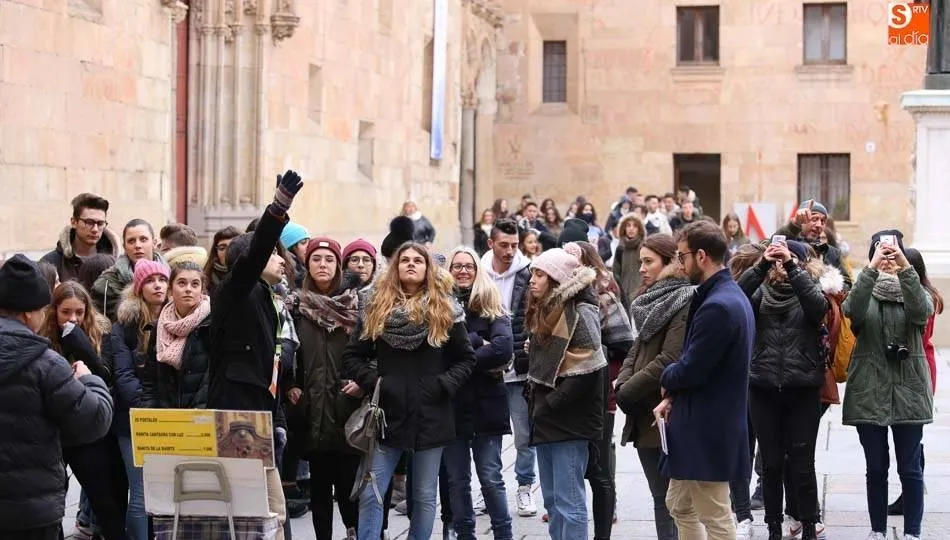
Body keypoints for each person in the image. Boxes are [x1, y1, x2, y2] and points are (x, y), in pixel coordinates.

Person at [342, 243, 476, 540]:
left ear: (428, 268)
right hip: (386, 414)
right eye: (405, 260)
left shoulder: (446, 309)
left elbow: (466, 358)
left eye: (418, 260)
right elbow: (352, 355)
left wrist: (442, 385)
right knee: (372, 492)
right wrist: (377, 382)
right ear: (396, 267)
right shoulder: (376, 307)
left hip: (432, 413)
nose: (411, 264)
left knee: (425, 496)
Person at [207, 169, 306, 539]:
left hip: (259, 410)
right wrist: (279, 206)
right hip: (237, 413)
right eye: (272, 254)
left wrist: (276, 415)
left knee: (272, 507)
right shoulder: (237, 290)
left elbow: (275, 363)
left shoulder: (267, 297)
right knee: (257, 507)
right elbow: (257, 250)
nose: (282, 260)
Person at [0, 255, 113, 540]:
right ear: (29, 313)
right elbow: (95, 420)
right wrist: (90, 380)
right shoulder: (46, 364)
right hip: (31, 513)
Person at [654, 221, 754, 540]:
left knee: (715, 515)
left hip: (709, 427)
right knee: (679, 504)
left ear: (700, 256)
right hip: (699, 421)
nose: (679, 265)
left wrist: (666, 377)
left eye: (681, 256)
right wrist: (672, 395)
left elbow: (692, 368)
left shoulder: (720, 305)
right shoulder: (721, 296)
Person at [842, 231, 933, 540]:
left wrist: (905, 265)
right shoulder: (864, 289)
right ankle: (877, 530)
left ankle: (912, 532)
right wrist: (871, 267)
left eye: (893, 254)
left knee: (910, 468)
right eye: (884, 255)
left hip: (908, 387)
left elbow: (922, 311)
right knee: (876, 467)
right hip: (870, 386)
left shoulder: (915, 290)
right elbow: (851, 309)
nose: (889, 261)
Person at [736, 239, 828, 540]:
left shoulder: (810, 292)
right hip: (763, 388)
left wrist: (791, 263)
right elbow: (735, 296)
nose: (780, 266)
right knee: (772, 464)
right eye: (777, 262)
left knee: (802, 462)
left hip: (802, 389)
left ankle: (809, 527)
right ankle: (773, 528)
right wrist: (762, 263)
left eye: (787, 261)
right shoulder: (759, 295)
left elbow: (818, 308)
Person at [525, 248, 607, 540]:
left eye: (539, 274)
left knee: (569, 502)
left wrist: (549, 404)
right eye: (532, 273)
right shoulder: (547, 310)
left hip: (570, 421)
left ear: (556, 278)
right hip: (546, 417)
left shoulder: (581, 313)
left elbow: (589, 369)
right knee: (553, 502)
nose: (532, 280)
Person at [615, 234, 692, 540]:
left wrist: (626, 390)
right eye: (640, 262)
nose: (642, 269)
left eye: (649, 261)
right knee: (660, 498)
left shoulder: (683, 299)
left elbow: (669, 359)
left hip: (665, 410)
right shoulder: (649, 299)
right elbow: (638, 346)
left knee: (673, 500)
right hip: (643, 411)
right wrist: (622, 382)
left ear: (670, 262)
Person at [285, 237, 363, 540]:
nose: (322, 264)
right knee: (319, 486)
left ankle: (353, 531)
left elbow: (370, 354)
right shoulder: (295, 306)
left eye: (329, 259)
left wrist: (362, 382)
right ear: (307, 265)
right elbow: (285, 352)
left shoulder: (357, 305)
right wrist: (290, 386)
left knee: (348, 484)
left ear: (339, 266)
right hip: (311, 408)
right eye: (316, 259)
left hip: (347, 406)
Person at [40, 281, 129, 540]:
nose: (73, 318)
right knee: (53, 500)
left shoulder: (101, 333)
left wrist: (82, 347)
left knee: (104, 498)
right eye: (66, 312)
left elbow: (105, 376)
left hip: (89, 431)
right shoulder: (44, 339)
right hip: (56, 430)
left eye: (79, 312)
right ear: (54, 311)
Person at [443, 246, 514, 540]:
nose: (462, 271)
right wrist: (477, 341)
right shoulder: (439, 308)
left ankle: (503, 534)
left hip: (487, 406)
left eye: (468, 266)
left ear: (477, 270)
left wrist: (461, 348)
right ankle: (465, 535)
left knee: (491, 478)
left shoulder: (491, 304)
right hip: (452, 407)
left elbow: (503, 349)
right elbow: (437, 353)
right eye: (456, 266)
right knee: (457, 480)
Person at [563, 242, 633, 540]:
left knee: (600, 467)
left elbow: (625, 346)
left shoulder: (605, 299)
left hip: (599, 394)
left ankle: (603, 526)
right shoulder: (556, 302)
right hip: (566, 397)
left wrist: (607, 375)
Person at [480, 219, 536, 517]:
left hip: (520, 368)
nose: (510, 251)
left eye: (514, 245)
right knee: (489, 433)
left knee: (524, 434)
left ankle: (525, 486)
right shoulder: (477, 273)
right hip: (487, 368)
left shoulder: (528, 274)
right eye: (504, 245)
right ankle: (491, 489)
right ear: (491, 243)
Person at [111, 259, 171, 540]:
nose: (157, 285)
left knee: (169, 491)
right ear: (138, 287)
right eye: (150, 280)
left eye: (162, 279)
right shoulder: (125, 326)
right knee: (141, 492)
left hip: (172, 417)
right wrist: (149, 415)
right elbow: (124, 376)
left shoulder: (178, 319)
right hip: (134, 420)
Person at [888, 247, 944, 516]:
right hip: (915, 365)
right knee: (911, 434)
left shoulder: (924, 297)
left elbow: (917, 333)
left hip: (918, 367)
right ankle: (910, 489)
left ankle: (911, 489)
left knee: (912, 432)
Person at [140, 262, 212, 410]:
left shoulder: (212, 324)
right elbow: (150, 380)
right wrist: (150, 413)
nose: (188, 289)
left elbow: (213, 376)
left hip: (202, 415)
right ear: (170, 290)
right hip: (168, 418)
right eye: (182, 283)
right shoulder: (159, 326)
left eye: (195, 284)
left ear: (202, 290)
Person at [93, 219, 165, 322]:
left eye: (143, 239)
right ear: (124, 247)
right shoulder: (106, 284)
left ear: (154, 243)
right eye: (131, 241)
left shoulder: (173, 278)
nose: (137, 246)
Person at [42, 193, 120, 282]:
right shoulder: (51, 263)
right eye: (89, 222)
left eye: (100, 223)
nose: (95, 229)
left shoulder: (116, 264)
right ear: (74, 222)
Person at [777, 200, 852, 291]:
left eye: (823, 221)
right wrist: (794, 225)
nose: (819, 225)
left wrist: (828, 285)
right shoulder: (787, 246)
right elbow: (768, 249)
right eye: (814, 219)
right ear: (801, 220)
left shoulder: (832, 253)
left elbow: (847, 284)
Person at [203, 226, 242, 298]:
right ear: (216, 252)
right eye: (222, 248)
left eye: (233, 246)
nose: (227, 251)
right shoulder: (205, 279)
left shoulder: (253, 276)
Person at [280, 222, 311, 289]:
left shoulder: (308, 270)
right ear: (290, 248)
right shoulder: (281, 278)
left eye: (310, 242)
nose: (309, 246)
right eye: (303, 243)